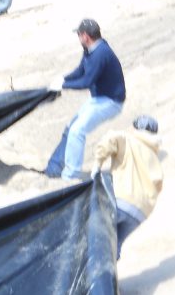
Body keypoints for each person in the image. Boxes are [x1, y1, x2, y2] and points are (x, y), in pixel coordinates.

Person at [45, 19, 126, 179]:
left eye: (79, 35)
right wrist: (63, 78)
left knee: (77, 131)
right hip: (98, 98)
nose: (78, 38)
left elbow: (86, 81)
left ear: (85, 36)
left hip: (111, 102)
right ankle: (54, 167)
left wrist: (64, 86)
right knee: (70, 127)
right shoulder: (89, 49)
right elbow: (80, 71)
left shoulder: (101, 53)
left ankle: (71, 174)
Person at [93, 115, 164, 257]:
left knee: (94, 234)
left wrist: (97, 164)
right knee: (114, 245)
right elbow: (158, 185)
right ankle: (109, 276)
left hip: (121, 201)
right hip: (140, 213)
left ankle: (92, 276)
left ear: (136, 127)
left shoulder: (129, 139)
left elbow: (111, 138)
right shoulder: (154, 157)